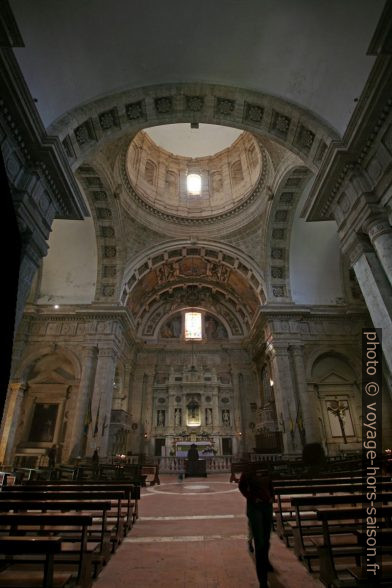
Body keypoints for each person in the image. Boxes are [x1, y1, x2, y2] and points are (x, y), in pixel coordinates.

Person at [239, 470, 274, 588]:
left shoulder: (267, 467)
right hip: (255, 507)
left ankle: (265, 561)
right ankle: (262, 581)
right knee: (259, 542)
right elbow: (241, 486)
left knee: (267, 538)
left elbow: (270, 484)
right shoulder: (249, 470)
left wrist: (272, 497)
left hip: (267, 506)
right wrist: (252, 498)